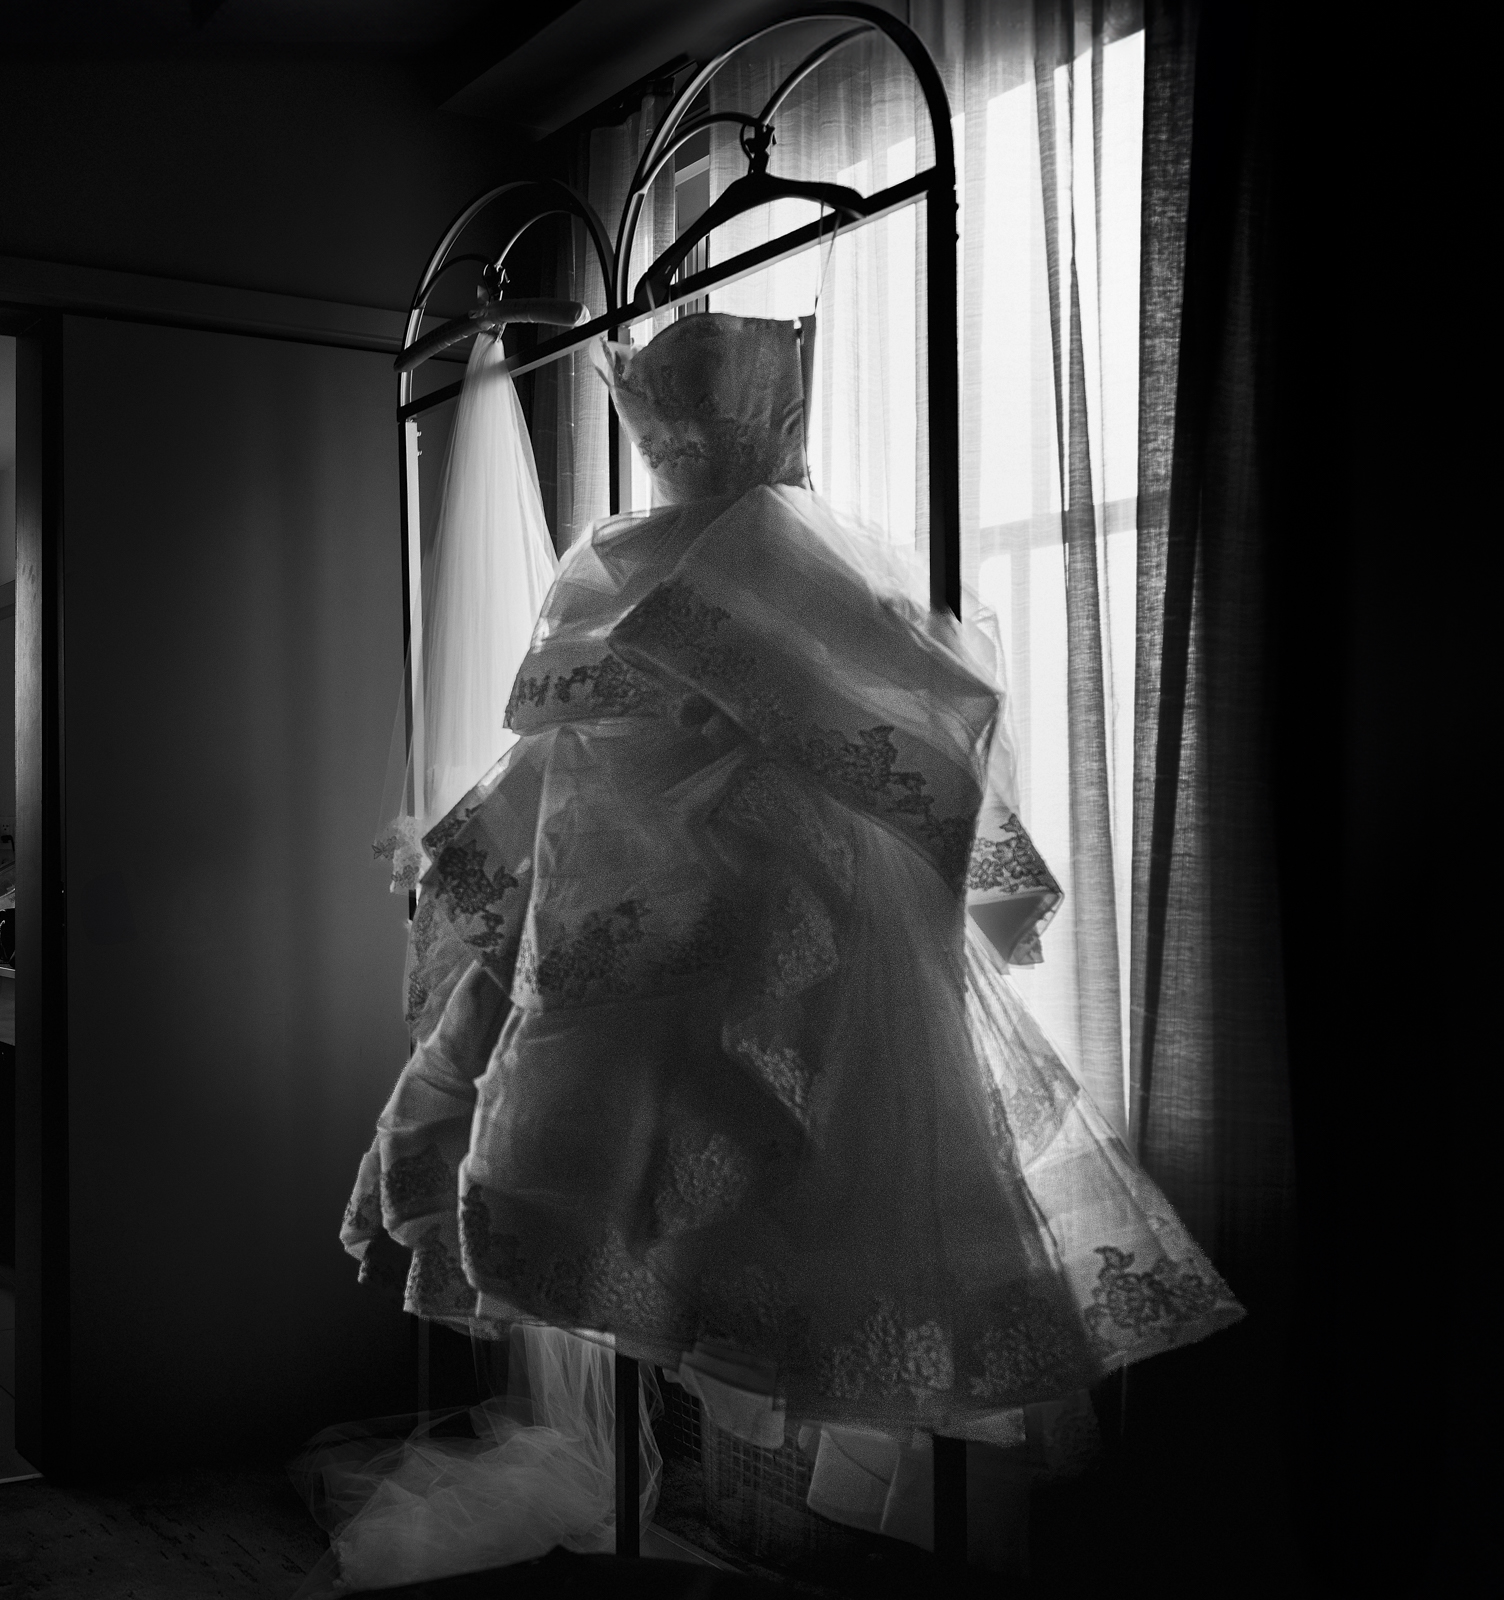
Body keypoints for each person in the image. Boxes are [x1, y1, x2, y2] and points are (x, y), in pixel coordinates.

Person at [324, 313, 1242, 1584]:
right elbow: (916, 720)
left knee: (752, 1113)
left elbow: (914, 722)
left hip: (759, 876)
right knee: (661, 1105)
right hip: (650, 882)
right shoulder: (652, 572)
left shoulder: (728, 570)